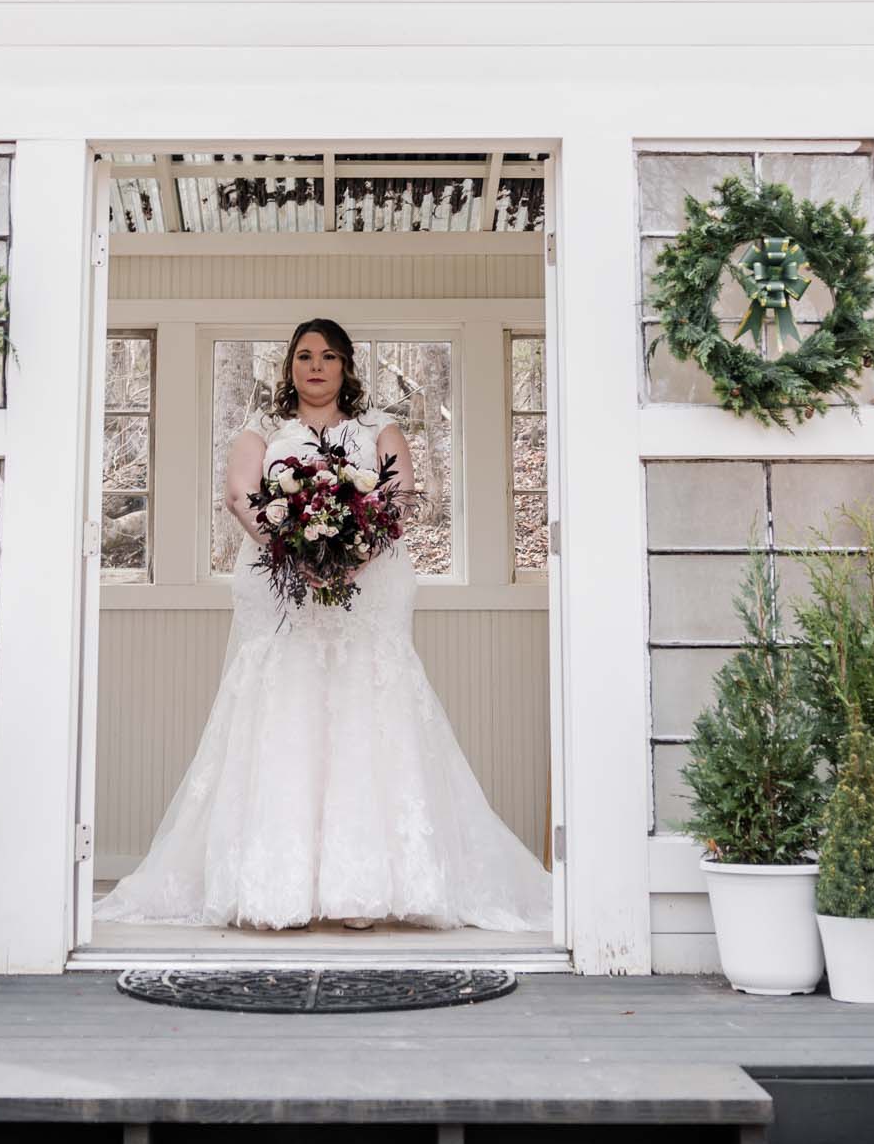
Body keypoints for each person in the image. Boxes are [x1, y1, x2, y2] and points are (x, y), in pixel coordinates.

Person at [92, 317, 553, 934]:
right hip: (281, 590)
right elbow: (240, 496)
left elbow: (400, 500)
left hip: (369, 589)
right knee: (285, 710)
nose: (316, 366)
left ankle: (361, 887)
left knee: (366, 712)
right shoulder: (261, 430)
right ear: (289, 365)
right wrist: (296, 555)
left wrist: (351, 558)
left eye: (329, 356)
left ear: (346, 367)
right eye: (305, 355)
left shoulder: (379, 429)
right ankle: (278, 887)